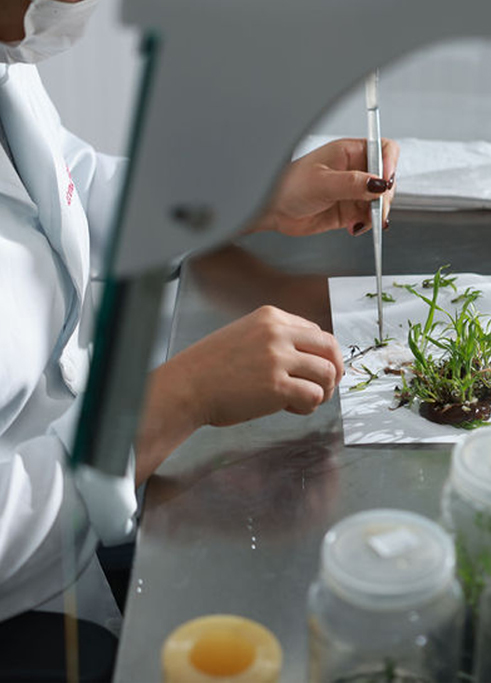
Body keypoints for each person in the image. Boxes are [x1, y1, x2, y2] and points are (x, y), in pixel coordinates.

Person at [0, 0, 400, 644]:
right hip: (41, 605)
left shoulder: (5, 60)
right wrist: (181, 397)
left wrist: (258, 197)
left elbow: (68, 191)